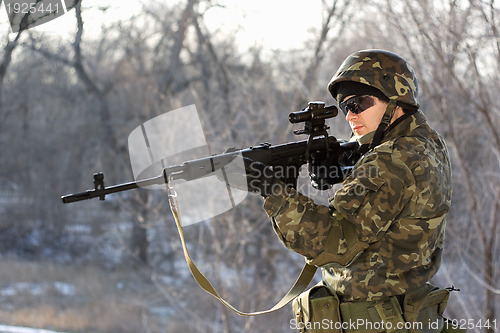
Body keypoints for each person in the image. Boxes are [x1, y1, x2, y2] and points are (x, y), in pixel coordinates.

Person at [245, 49, 463, 332]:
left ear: (395, 100)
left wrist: (273, 190)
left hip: (375, 320)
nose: (349, 116)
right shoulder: (427, 142)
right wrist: (345, 165)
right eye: (345, 107)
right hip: (406, 311)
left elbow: (331, 244)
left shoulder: (389, 160)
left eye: (358, 103)